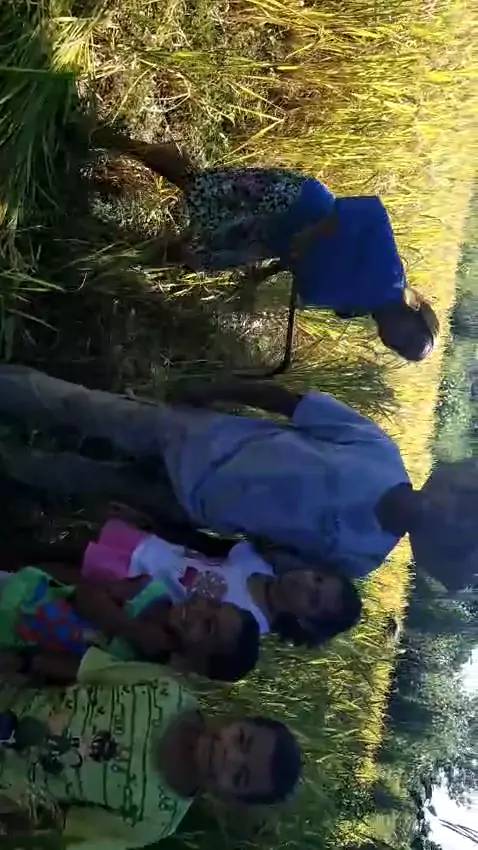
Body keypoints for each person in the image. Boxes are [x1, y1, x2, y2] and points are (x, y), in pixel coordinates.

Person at [0, 366, 420, 578]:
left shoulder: (360, 557)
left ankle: (10, 460)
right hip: (201, 436)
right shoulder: (380, 453)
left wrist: (176, 537)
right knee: (83, 407)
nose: (442, 515)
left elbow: (255, 561)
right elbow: (292, 404)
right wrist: (212, 390)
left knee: (85, 479)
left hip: (190, 506)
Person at [92, 127, 439, 362]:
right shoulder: (388, 279)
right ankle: (108, 137)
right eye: (410, 340)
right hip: (292, 204)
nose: (397, 344)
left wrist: (261, 275)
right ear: (415, 315)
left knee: (194, 258)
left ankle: (104, 242)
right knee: (198, 185)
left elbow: (313, 264)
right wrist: (313, 232)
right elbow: (371, 211)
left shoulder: (359, 307)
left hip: (271, 241)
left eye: (402, 351)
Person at [0, 647, 302, 848]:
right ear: (237, 718)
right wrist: (19, 662)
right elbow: (84, 671)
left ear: (229, 797)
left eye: (239, 776)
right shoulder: (166, 691)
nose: (229, 755)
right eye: (242, 739)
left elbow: (57, 826)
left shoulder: (154, 821)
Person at [80, 518, 362, 646]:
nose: (306, 585)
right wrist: (152, 526)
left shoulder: (246, 622)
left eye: (313, 600)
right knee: (76, 535)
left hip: (128, 584)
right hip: (147, 547)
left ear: (306, 623)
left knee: (66, 570)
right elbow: (203, 546)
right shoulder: (259, 563)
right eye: (317, 579)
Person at [0, 565, 260, 683]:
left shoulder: (148, 674)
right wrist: (134, 629)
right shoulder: (149, 591)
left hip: (11, 641)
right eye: (213, 605)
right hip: (19, 593)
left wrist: (23, 664)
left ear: (199, 663)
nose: (199, 609)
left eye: (208, 627)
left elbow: (77, 671)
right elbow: (85, 595)